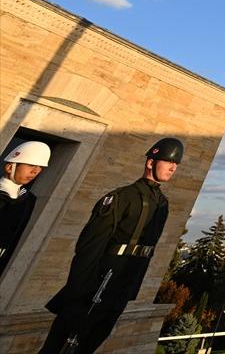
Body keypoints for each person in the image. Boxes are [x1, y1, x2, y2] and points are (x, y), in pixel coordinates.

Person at [38, 138, 182, 354]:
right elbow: (89, 246)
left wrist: (131, 288)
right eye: (168, 161)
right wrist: (79, 292)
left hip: (122, 286)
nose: (173, 167)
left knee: (91, 342)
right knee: (59, 345)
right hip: (97, 283)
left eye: (176, 164)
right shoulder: (122, 197)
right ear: (151, 162)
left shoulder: (162, 203)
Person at [0, 140, 51, 277]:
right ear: (10, 167)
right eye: (31, 165)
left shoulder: (28, 200)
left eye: (40, 167)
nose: (35, 171)